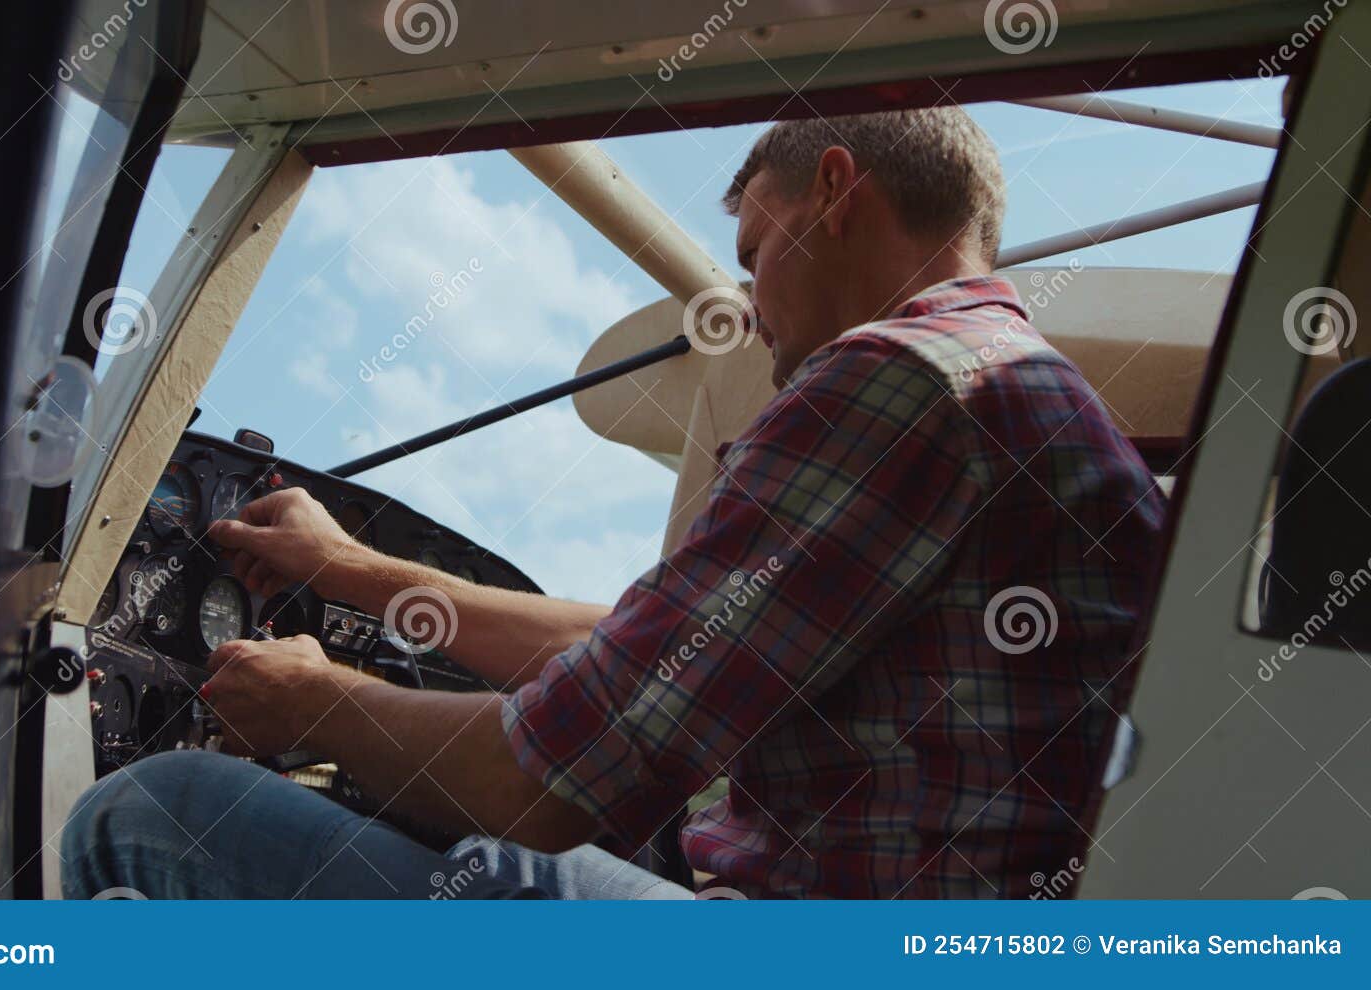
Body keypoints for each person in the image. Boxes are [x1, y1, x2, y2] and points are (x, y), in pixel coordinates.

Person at [63, 106, 1166, 899]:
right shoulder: (1013, 383)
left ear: (834, 192)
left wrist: (313, 701)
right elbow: (647, 650)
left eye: (752, 251)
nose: (745, 300)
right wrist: (350, 570)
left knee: (146, 813)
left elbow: (550, 782)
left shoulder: (894, 380)